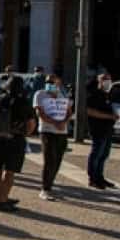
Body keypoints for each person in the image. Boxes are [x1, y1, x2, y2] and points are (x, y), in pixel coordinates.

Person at [0, 74, 36, 210]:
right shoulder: (23, 102)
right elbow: (31, 123)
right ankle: (2, 201)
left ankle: (2, 197)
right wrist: (26, 133)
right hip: (15, 139)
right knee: (10, 171)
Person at [33, 73, 73, 201]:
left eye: (52, 82)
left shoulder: (62, 95)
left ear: (58, 83)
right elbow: (40, 113)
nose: (50, 84)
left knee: (57, 161)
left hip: (62, 133)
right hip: (47, 131)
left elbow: (69, 112)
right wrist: (55, 123)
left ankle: (50, 186)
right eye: (48, 82)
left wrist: (64, 122)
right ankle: (44, 189)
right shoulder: (40, 94)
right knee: (49, 160)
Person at [83, 74, 117, 189]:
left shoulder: (106, 95)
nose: (108, 82)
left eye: (109, 79)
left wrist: (114, 117)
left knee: (104, 154)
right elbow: (90, 111)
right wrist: (109, 116)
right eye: (105, 80)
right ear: (99, 81)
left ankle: (99, 177)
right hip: (97, 129)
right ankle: (93, 178)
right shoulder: (93, 95)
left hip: (107, 129)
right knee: (96, 153)